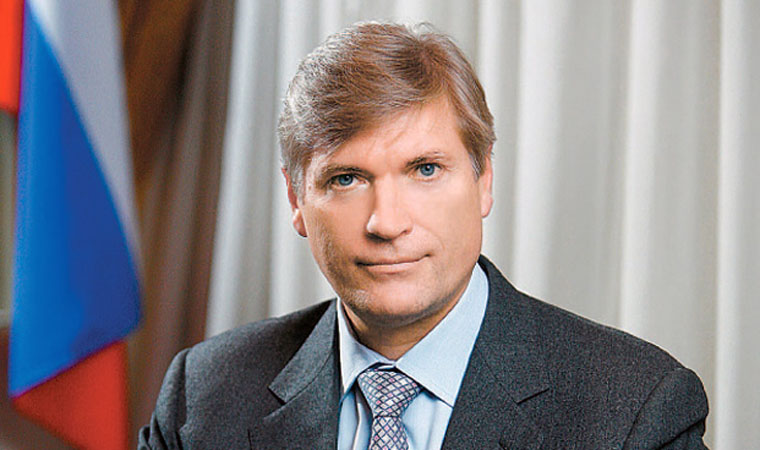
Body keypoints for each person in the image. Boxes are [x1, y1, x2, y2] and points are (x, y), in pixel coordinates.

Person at [138, 22, 708, 449]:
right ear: (296, 201)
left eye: (426, 170)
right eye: (346, 178)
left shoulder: (635, 411)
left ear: (483, 181)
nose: (387, 223)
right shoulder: (203, 397)